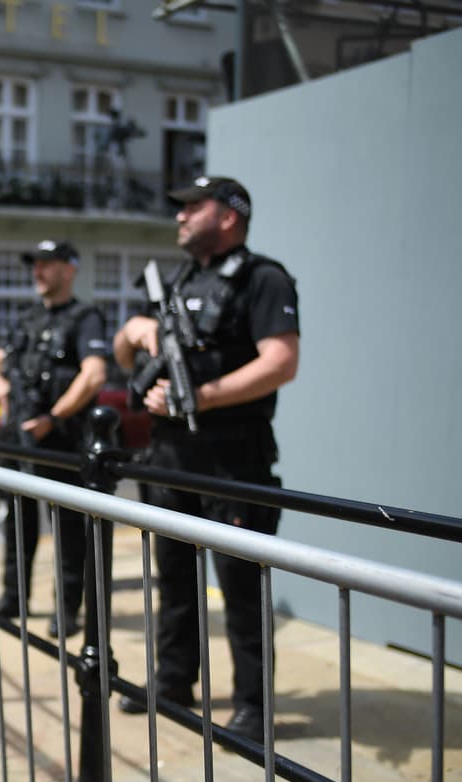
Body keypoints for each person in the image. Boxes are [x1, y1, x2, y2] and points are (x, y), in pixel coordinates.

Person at [112, 175, 299, 741]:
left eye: (194, 206)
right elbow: (125, 359)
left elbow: (281, 362)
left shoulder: (263, 278)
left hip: (233, 463)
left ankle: (254, 708)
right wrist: (134, 330)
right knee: (172, 582)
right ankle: (172, 684)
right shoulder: (178, 281)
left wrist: (202, 397)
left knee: (240, 590)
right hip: (170, 458)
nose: (181, 217)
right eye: (181, 208)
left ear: (229, 214)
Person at [0, 240, 109, 635]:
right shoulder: (25, 318)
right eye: (35, 264)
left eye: (47, 264)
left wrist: (54, 417)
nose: (38, 271)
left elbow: (94, 375)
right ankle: (13, 598)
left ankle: (67, 610)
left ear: (70, 269)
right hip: (15, 437)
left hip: (60, 440)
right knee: (17, 521)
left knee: (68, 529)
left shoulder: (85, 317)